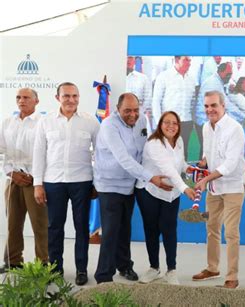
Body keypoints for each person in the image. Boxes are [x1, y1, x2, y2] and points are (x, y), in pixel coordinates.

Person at [93, 93, 171, 284]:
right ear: (118, 109)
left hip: (131, 183)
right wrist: (151, 177)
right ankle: (103, 276)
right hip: (109, 184)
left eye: (136, 109)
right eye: (127, 110)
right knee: (111, 230)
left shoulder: (142, 119)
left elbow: (147, 149)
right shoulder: (109, 125)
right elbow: (124, 159)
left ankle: (124, 266)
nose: (133, 114)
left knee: (124, 229)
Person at [32, 82, 99, 286]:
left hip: (82, 182)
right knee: (55, 228)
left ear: (79, 97)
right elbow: (38, 153)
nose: (71, 100)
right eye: (66, 96)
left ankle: (81, 270)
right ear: (57, 97)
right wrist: (38, 184)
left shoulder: (91, 122)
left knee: (81, 227)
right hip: (54, 182)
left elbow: (99, 153)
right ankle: (55, 269)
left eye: (75, 96)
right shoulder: (46, 121)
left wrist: (97, 182)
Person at [191, 91, 245, 289]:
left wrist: (205, 178)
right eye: (206, 106)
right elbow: (208, 152)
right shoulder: (206, 127)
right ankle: (212, 268)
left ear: (224, 106)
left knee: (231, 232)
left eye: (213, 105)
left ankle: (232, 277)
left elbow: (230, 164)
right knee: (211, 228)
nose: (209, 110)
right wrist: (202, 163)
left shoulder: (235, 129)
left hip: (233, 186)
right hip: (214, 188)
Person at [136, 111, 196, 285]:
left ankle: (171, 270)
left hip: (171, 193)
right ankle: (154, 268)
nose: (171, 126)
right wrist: (185, 188)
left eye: (175, 123)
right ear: (160, 124)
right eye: (167, 122)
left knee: (169, 230)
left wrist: (188, 169)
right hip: (150, 192)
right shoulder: (153, 143)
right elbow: (168, 169)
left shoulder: (179, 141)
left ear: (179, 126)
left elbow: (179, 163)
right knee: (152, 230)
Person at [0, 88, 47, 273]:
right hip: (13, 180)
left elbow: (47, 153)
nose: (21, 100)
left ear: (36, 101)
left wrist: (37, 178)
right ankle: (12, 261)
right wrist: (11, 173)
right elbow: (1, 152)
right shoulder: (7, 123)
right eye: (19, 97)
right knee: (13, 223)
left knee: (40, 225)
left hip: (35, 181)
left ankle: (43, 265)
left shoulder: (43, 123)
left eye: (26, 97)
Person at [151, 56, 196, 160]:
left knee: (183, 155)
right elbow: (156, 101)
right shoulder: (164, 76)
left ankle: (182, 176)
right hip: (168, 124)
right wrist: (159, 124)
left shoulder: (191, 79)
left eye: (190, 60)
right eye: (186, 60)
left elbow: (193, 102)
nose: (189, 63)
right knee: (166, 155)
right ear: (176, 60)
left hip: (186, 123)